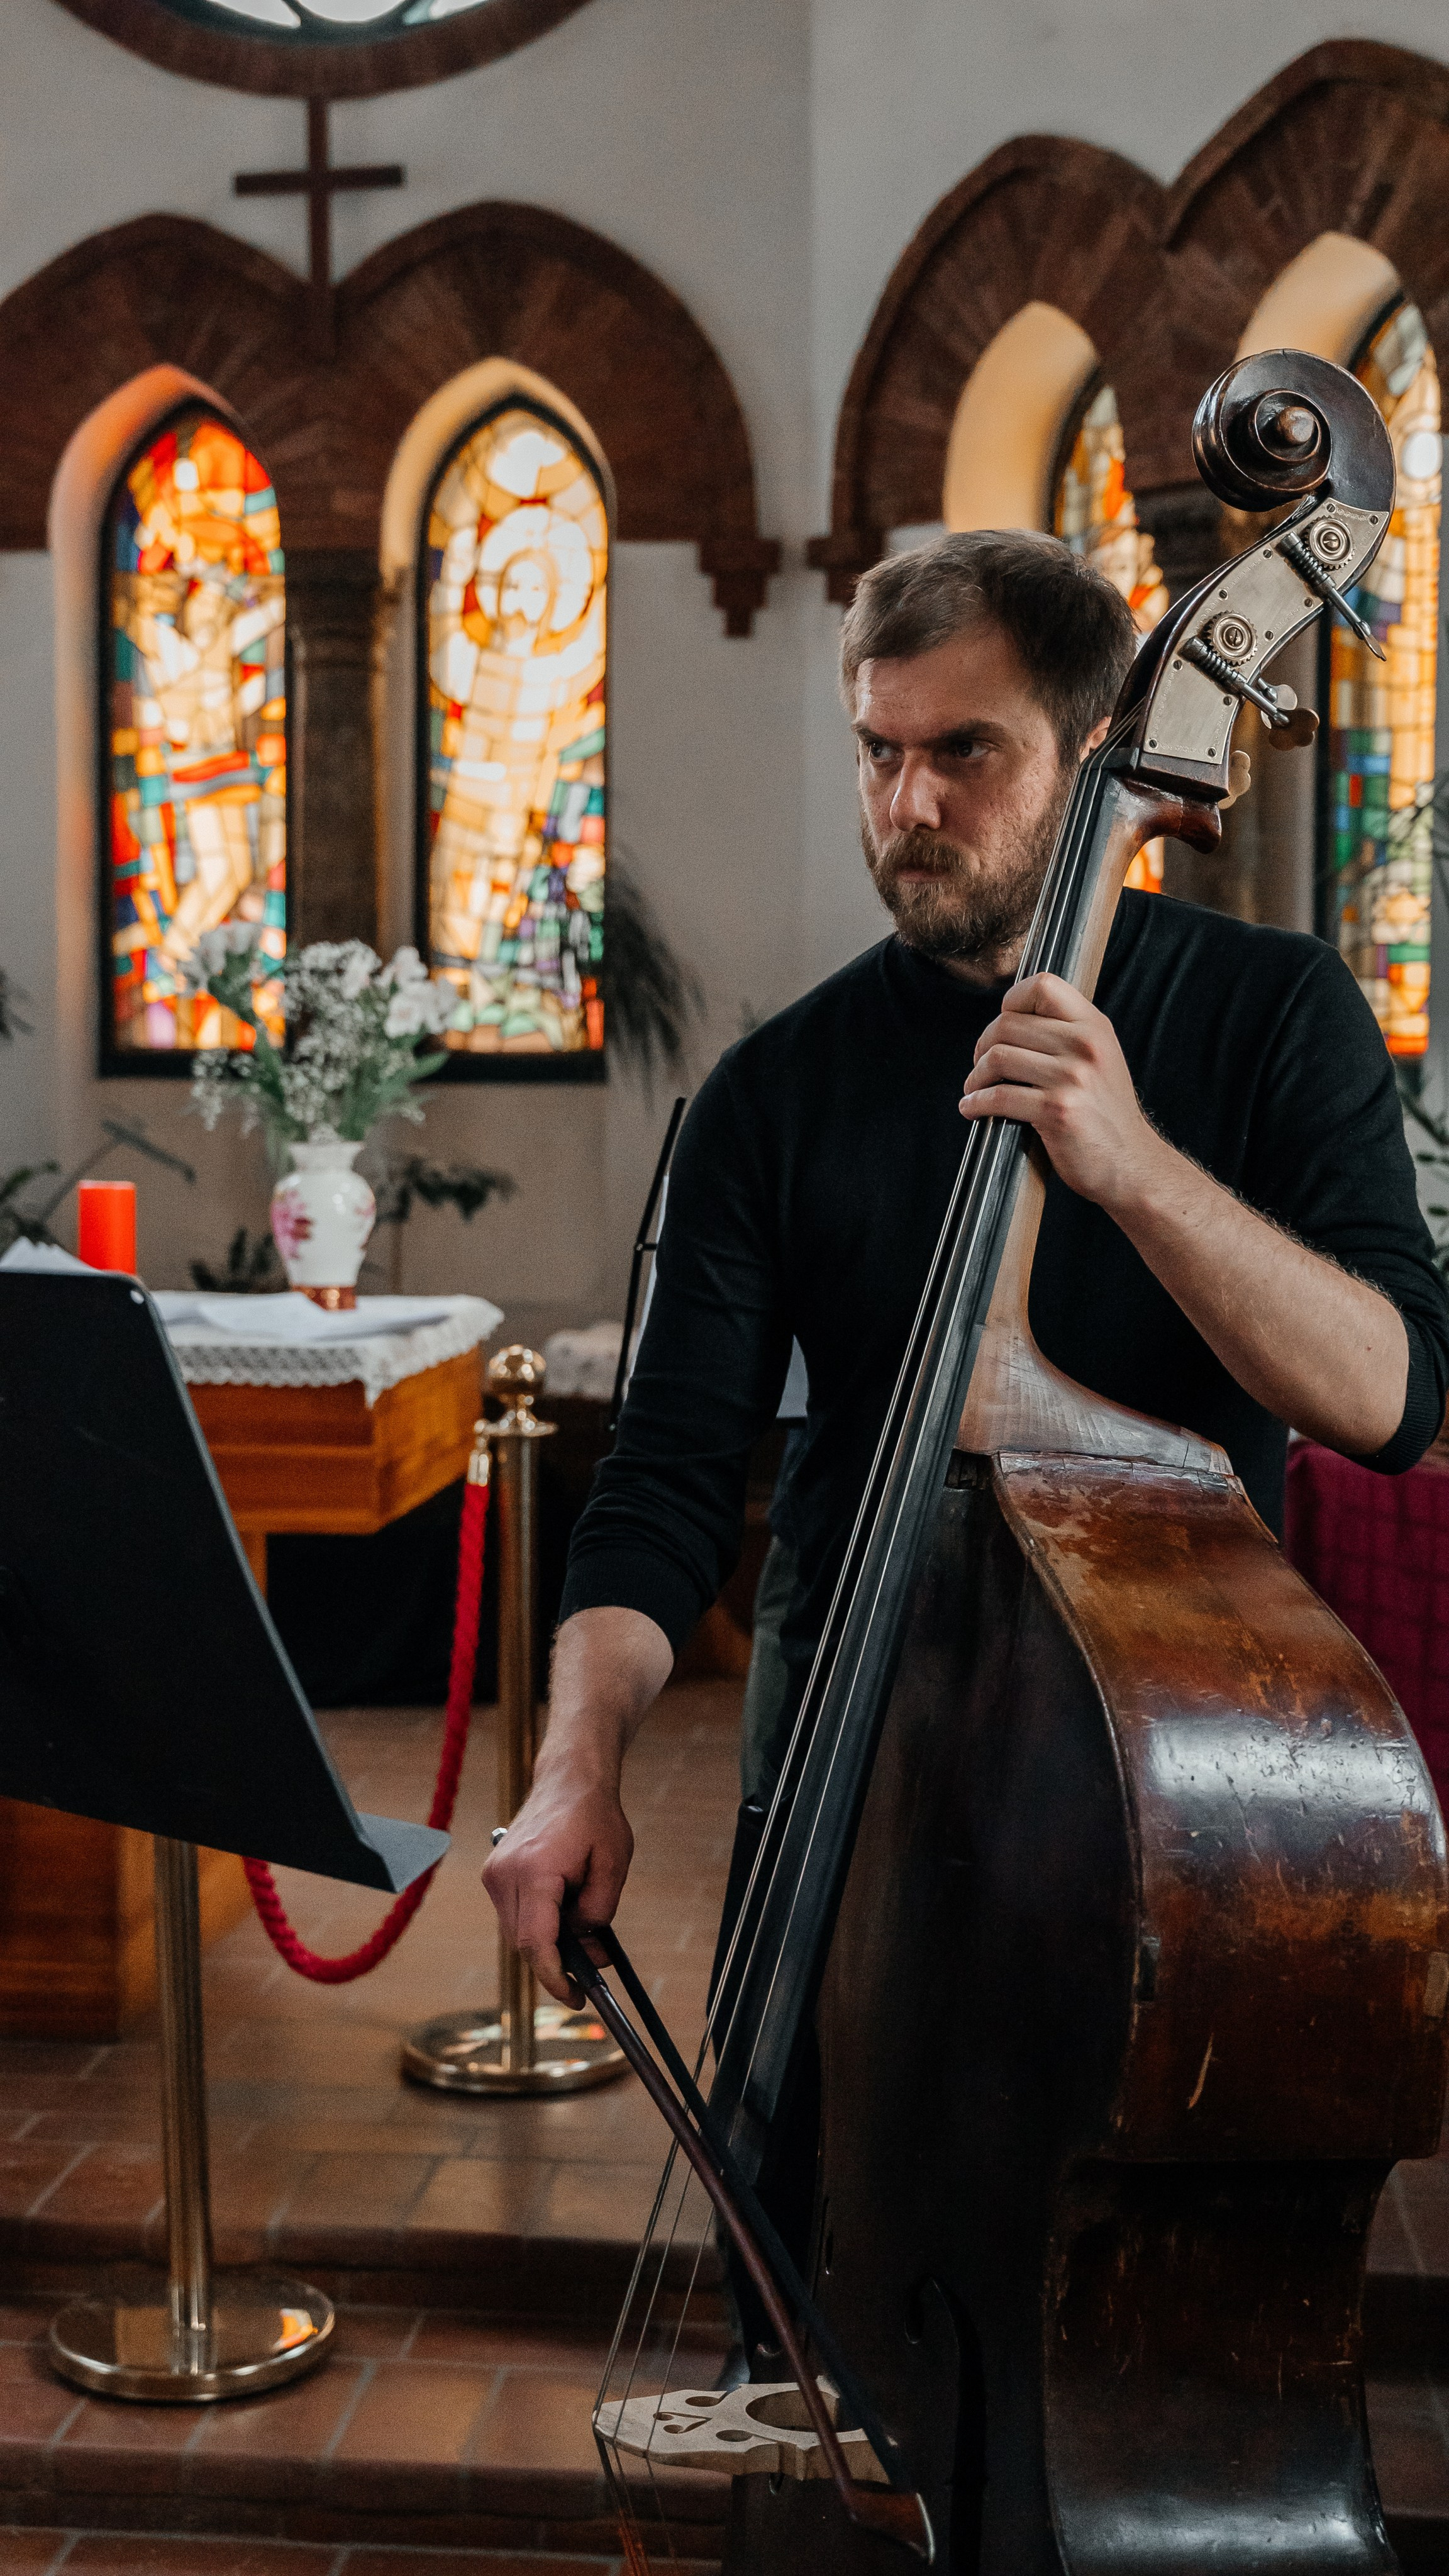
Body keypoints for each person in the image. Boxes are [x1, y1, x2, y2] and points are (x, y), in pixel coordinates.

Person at [483, 528, 1449, 2003]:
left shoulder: (1278, 1013)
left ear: (1094, 753)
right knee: (800, 2191)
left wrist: (1130, 1164)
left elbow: (1394, 1399)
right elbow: (666, 1481)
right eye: (877, 752)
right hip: (848, 1747)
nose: (907, 802)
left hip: (1176, 1774)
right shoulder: (771, 1091)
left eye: (965, 752)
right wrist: (575, 1768)